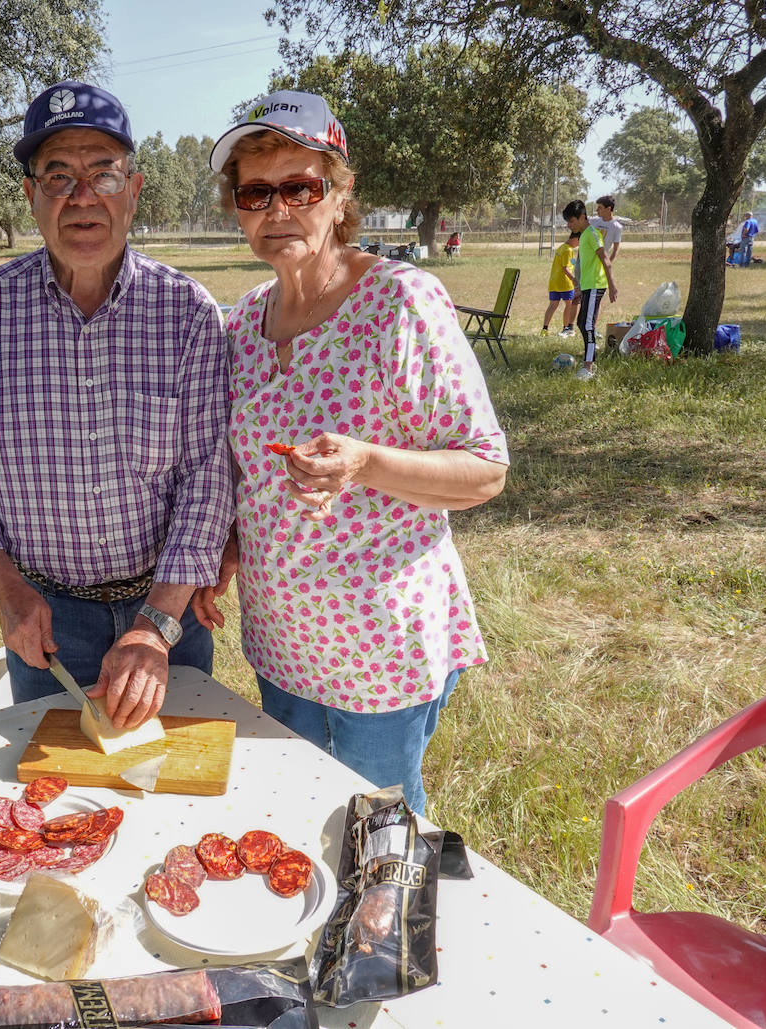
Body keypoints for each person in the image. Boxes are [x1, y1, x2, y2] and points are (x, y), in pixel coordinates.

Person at [192, 90, 509, 817]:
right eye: (255, 193)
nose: (277, 211)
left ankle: (388, 932)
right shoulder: (240, 325)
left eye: (300, 187)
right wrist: (231, 549)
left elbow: (486, 470)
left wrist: (367, 461)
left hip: (381, 649)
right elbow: (250, 477)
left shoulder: (403, 303)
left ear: (339, 195)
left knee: (378, 825)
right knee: (298, 815)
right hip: (281, 638)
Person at [0, 80, 233, 730]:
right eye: (57, 176)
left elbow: (209, 477)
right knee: (53, 805)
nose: (82, 196)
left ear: (135, 190)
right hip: (44, 618)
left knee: (167, 795)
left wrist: (155, 624)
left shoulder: (188, 315)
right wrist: (7, 592)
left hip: (166, 613)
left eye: (102, 174)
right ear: (30, 195)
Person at [563, 199, 618, 380]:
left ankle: (589, 367)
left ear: (582, 217)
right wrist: (579, 287)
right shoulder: (583, 234)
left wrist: (612, 286)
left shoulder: (593, 234)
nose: (570, 225)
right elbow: (583, 264)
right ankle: (588, 360)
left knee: (587, 326)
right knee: (580, 323)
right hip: (587, 286)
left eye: (572, 221)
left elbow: (606, 260)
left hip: (596, 285)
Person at [542, 230, 580, 336]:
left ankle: (544, 329)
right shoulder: (568, 250)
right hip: (565, 283)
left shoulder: (561, 247)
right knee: (570, 304)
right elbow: (565, 268)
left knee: (553, 304)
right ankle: (566, 328)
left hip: (554, 281)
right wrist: (574, 279)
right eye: (579, 242)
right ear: (575, 239)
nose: (579, 245)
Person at [589, 195, 623, 263]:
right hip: (587, 259)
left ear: (608, 209)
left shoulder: (617, 227)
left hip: (600, 262)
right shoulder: (592, 221)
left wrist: (608, 264)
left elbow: (616, 249)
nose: (597, 210)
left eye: (600, 208)